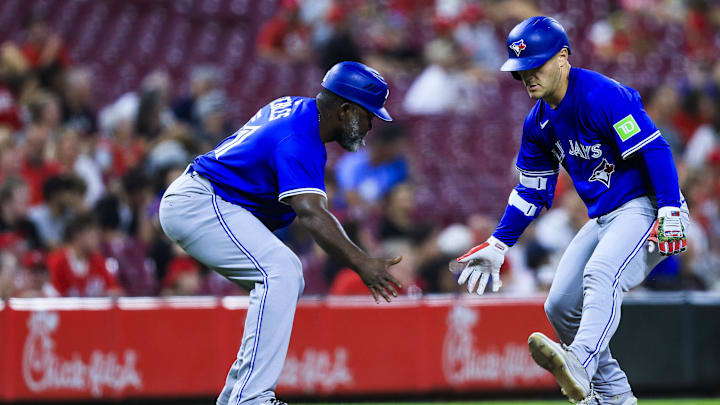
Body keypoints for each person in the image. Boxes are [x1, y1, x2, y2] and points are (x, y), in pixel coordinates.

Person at [452, 17, 689, 405]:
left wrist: (668, 210)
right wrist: (499, 243)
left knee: (600, 274)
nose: (528, 76)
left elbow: (654, 149)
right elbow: (531, 191)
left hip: (648, 206)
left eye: (537, 65)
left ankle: (580, 361)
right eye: (521, 71)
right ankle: (614, 396)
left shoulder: (601, 94)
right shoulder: (539, 123)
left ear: (563, 56)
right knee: (559, 303)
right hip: (606, 217)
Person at [158, 61, 402, 405]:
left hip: (209, 200)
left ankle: (236, 396)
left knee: (283, 279)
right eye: (367, 115)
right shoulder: (300, 136)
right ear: (345, 110)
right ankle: (250, 398)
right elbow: (311, 214)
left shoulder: (298, 110)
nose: (370, 124)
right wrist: (362, 262)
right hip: (201, 201)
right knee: (282, 272)